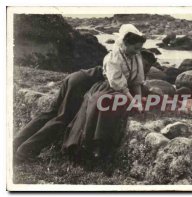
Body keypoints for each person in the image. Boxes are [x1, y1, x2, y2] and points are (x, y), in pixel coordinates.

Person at [14, 40, 156, 162]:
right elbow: (129, 88)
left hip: (76, 77)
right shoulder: (130, 67)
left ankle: (16, 144)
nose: (146, 69)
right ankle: (25, 151)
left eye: (149, 67)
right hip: (82, 84)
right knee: (62, 119)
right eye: (146, 65)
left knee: (50, 113)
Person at [61, 24, 148, 161]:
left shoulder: (136, 57)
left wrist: (138, 101)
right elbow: (119, 85)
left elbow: (137, 82)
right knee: (105, 103)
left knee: (123, 101)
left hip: (125, 90)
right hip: (108, 88)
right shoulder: (112, 58)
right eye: (135, 48)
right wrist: (134, 101)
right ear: (124, 43)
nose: (137, 52)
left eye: (139, 48)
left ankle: (103, 146)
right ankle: (94, 145)